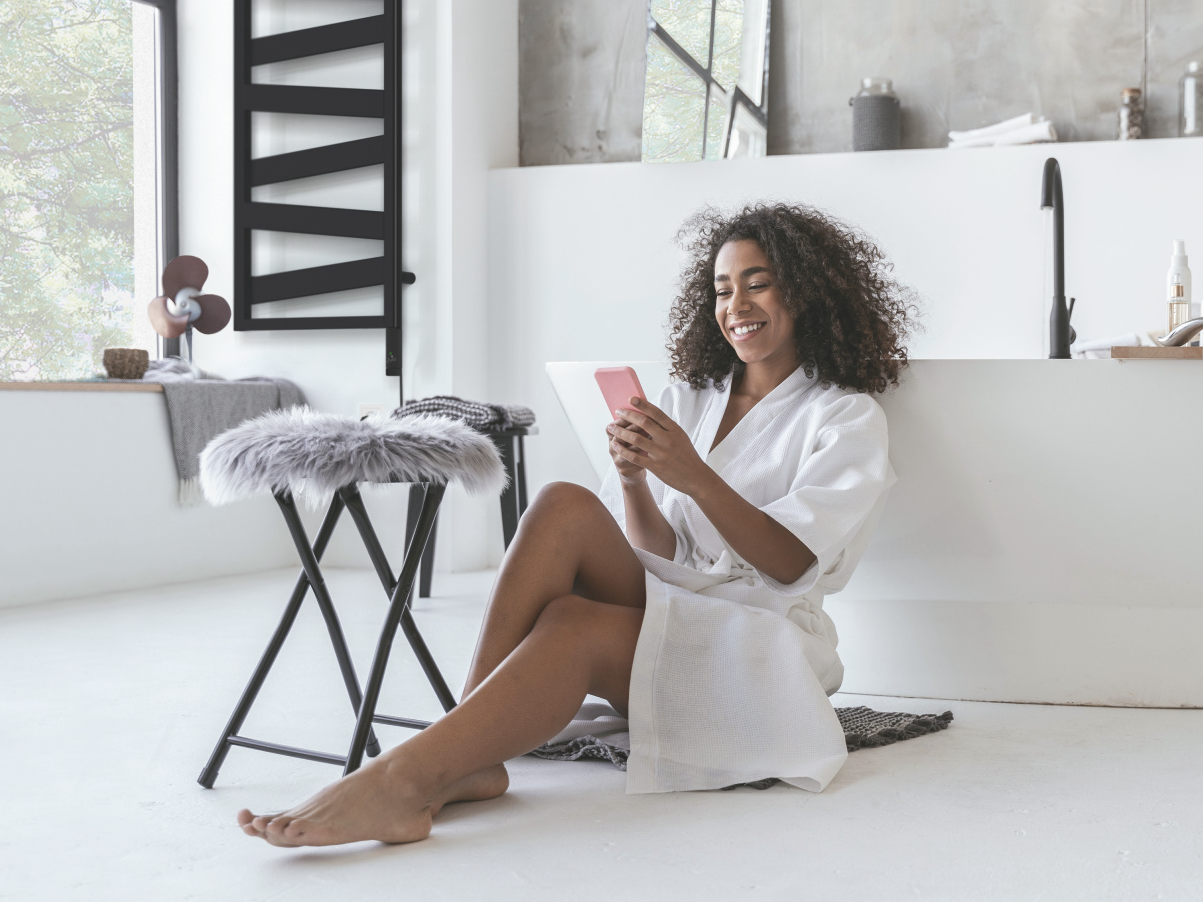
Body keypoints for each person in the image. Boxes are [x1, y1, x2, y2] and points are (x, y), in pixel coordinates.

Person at [237, 202, 916, 847]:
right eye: (720, 290)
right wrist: (632, 482)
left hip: (759, 643)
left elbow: (792, 566)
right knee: (562, 502)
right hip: (674, 598)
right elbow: (659, 550)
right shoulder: (690, 399)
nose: (734, 307)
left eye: (757, 284)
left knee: (572, 624)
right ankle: (465, 752)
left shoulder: (844, 416)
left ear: (806, 292)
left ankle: (403, 781)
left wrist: (692, 475)